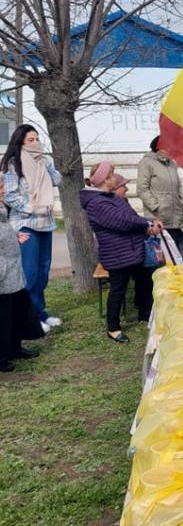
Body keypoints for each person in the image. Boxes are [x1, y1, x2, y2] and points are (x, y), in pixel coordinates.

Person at [80, 162, 163, 343]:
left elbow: (132, 218)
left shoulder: (111, 198)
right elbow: (122, 221)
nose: (115, 179)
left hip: (131, 250)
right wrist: (147, 225)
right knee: (117, 290)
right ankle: (113, 328)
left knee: (145, 280)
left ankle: (145, 313)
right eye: (111, 175)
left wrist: (149, 221)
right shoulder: (96, 203)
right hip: (117, 253)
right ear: (105, 179)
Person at [0, 124, 62, 334]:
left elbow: (57, 180)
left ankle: (40, 312)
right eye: (30, 140)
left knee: (44, 270)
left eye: (37, 138)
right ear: (21, 142)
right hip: (26, 223)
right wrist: (32, 208)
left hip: (46, 222)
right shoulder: (13, 164)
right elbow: (9, 195)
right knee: (31, 273)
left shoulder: (42, 161)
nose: (35, 143)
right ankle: (31, 320)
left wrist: (46, 164)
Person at [0, 180, 44, 372]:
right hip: (2, 272)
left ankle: (15, 347)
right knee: (2, 315)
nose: (3, 190)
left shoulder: (2, 208)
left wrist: (14, 236)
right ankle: (2, 356)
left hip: (12, 270)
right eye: (0, 187)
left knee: (16, 311)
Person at [137, 136, 183, 257]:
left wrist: (180, 202)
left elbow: (178, 186)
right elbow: (141, 189)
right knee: (162, 256)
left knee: (177, 253)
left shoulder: (171, 163)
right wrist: (156, 206)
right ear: (160, 148)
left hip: (174, 214)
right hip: (158, 217)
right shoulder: (147, 163)